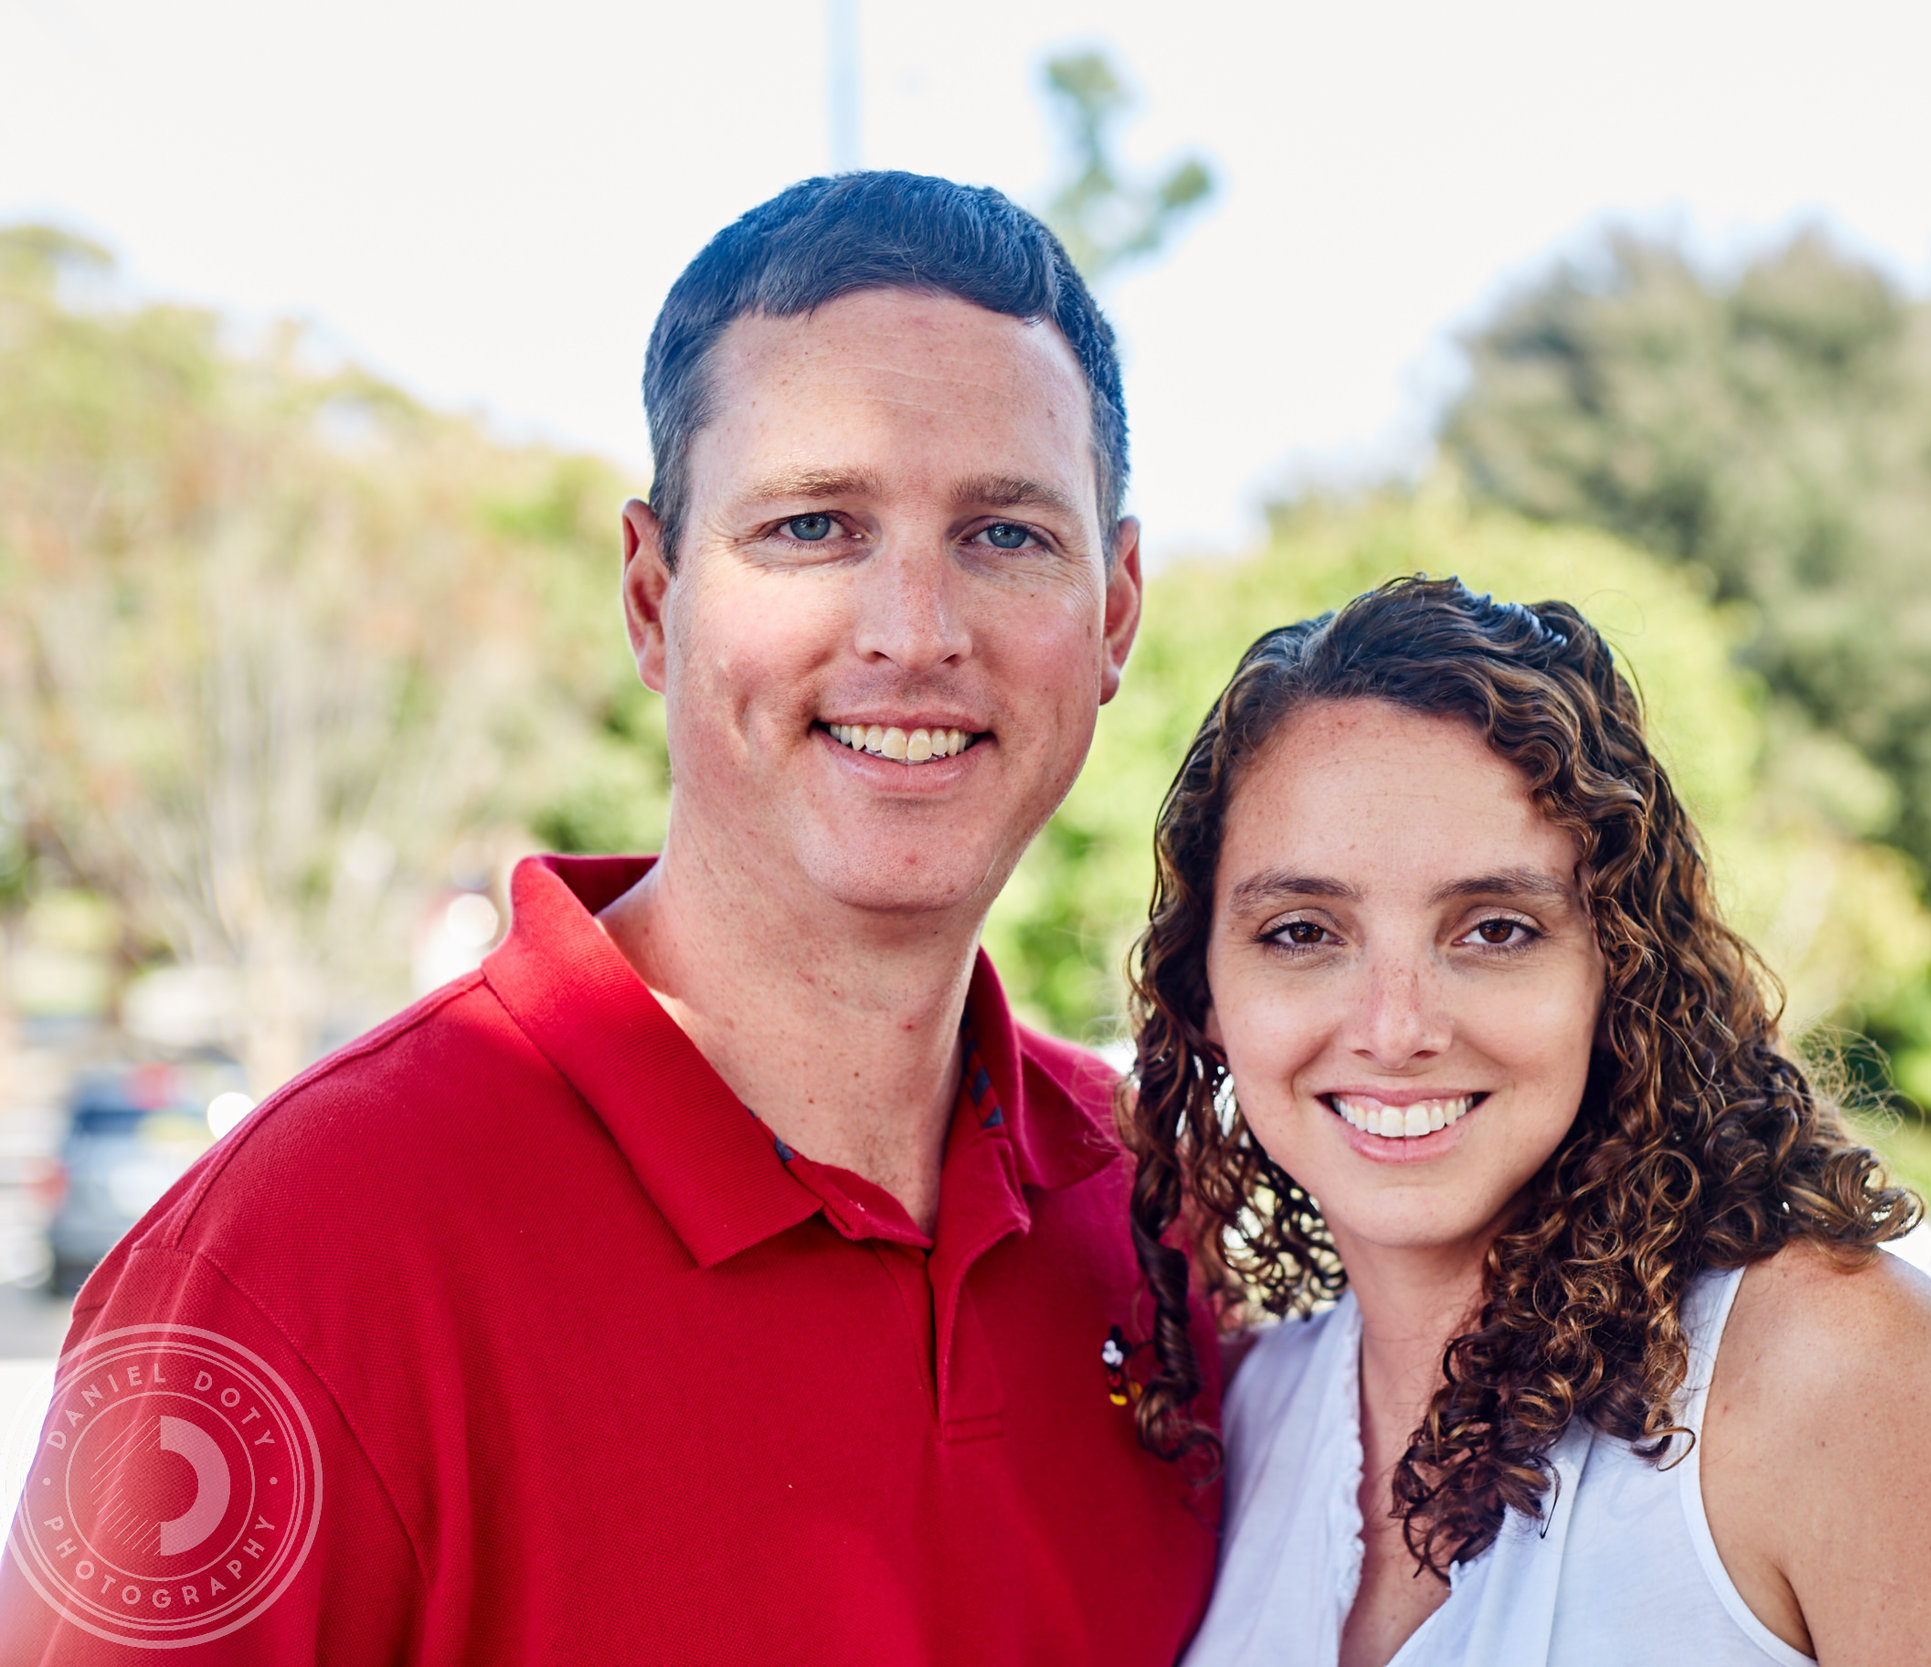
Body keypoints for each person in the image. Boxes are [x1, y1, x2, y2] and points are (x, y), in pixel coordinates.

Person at [1, 172, 1215, 1663]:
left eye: (1007, 534)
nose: (914, 628)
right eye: (814, 524)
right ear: (651, 598)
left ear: (1116, 611)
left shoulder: (1170, 1226)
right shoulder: (291, 1254)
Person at [1122, 577, 1931, 1666]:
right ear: (1205, 993)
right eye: (1303, 929)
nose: (1394, 1025)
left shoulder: (1830, 1379)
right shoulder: (1247, 1416)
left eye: (1496, 928)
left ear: (1618, 970)